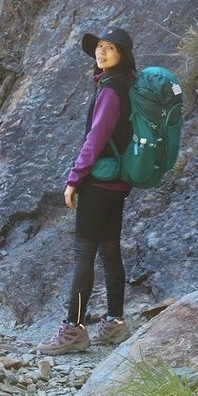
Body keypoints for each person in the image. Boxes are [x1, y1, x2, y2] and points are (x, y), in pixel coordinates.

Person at [38, 26, 137, 355]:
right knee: (110, 252)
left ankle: (73, 328)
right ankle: (115, 323)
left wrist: (74, 178)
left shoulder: (110, 90)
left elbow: (96, 138)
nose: (101, 52)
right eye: (99, 47)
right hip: (118, 182)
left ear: (122, 55)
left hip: (99, 183)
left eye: (110, 48)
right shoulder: (126, 86)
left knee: (84, 254)